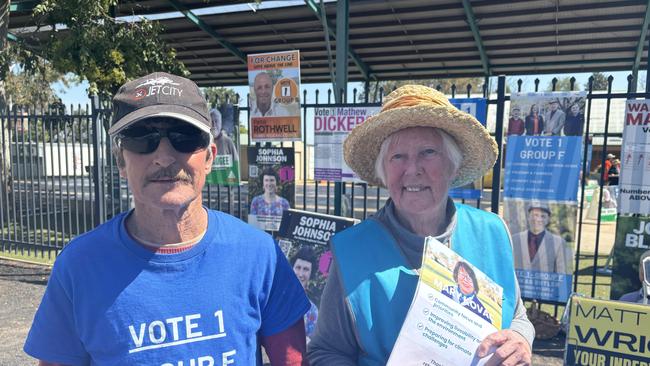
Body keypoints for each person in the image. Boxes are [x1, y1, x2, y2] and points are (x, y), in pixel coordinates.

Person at [24, 72, 310, 365]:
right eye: (142, 138)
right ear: (121, 160)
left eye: (184, 137)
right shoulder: (80, 265)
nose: (163, 156)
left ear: (210, 157)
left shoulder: (260, 255)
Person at [308, 85, 534, 365]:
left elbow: (517, 316)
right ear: (384, 171)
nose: (412, 169)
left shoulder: (492, 232)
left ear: (453, 165)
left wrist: (521, 338)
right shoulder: (352, 250)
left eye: (428, 152)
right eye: (397, 157)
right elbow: (325, 351)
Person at [511, 201, 572, 274]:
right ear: (528, 217)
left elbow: (561, 273)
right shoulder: (514, 239)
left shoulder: (558, 243)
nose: (538, 219)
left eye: (543, 216)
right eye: (535, 215)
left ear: (548, 220)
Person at [290, 247, 319, 341]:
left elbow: (310, 342)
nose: (301, 274)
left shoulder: (312, 311)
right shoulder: (275, 297)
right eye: (298, 268)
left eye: (306, 269)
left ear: (311, 274)